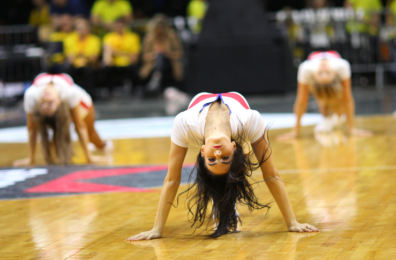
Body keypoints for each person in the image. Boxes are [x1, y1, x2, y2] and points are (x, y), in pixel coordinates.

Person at [127, 92, 319, 241]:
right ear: (235, 147)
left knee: (226, 179)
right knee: (231, 175)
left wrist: (157, 229)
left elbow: (171, 180)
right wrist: (291, 222)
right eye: (225, 158)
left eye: (212, 160)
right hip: (237, 101)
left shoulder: (184, 124)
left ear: (203, 152)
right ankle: (226, 203)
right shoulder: (250, 120)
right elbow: (271, 174)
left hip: (198, 100)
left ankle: (224, 204)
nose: (218, 154)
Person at [17, 73, 112, 166]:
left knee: (90, 134)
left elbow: (79, 126)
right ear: (59, 102)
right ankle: (103, 146)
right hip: (80, 103)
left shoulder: (31, 95)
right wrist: (31, 159)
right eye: (49, 103)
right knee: (90, 134)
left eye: (44, 104)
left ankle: (100, 146)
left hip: (78, 104)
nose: (45, 101)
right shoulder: (70, 94)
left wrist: (89, 157)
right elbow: (32, 129)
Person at [277, 51, 372, 139]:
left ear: (314, 76)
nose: (323, 68)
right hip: (330, 66)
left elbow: (347, 99)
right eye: (326, 73)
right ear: (334, 74)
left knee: (333, 101)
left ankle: (335, 115)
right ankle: (328, 116)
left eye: (321, 73)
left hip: (325, 82)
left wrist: (352, 129)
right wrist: (295, 131)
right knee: (325, 102)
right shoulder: (342, 66)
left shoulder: (306, 68)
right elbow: (301, 102)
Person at [140, 14, 183, 92]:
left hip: (170, 62)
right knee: (159, 56)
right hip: (153, 63)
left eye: (162, 28)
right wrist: (154, 54)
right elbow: (144, 56)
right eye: (158, 28)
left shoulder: (171, 36)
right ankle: (156, 78)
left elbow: (179, 53)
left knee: (161, 56)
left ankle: (156, 78)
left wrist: (168, 53)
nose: (160, 30)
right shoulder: (149, 38)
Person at [102, 17, 141, 96]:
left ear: (125, 26)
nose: (119, 28)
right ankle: (110, 92)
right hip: (114, 64)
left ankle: (135, 91)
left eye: (121, 26)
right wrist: (125, 54)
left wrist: (116, 52)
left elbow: (134, 58)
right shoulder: (108, 37)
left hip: (128, 64)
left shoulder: (133, 37)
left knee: (133, 68)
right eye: (117, 26)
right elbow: (107, 55)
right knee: (106, 68)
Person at [64, 18, 101, 97]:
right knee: (66, 69)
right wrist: (85, 55)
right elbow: (70, 58)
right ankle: (70, 95)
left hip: (89, 65)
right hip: (75, 65)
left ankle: (90, 96)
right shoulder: (69, 39)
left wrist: (79, 55)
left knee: (90, 71)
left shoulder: (95, 40)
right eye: (79, 28)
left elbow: (94, 58)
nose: (81, 30)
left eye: (83, 28)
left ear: (88, 29)